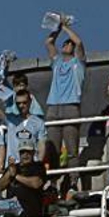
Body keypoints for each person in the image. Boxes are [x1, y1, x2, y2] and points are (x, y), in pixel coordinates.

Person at [44, 20, 86, 168]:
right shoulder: (57, 62)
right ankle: (53, 184)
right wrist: (57, 27)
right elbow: (49, 42)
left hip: (70, 107)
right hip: (53, 107)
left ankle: (73, 182)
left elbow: (79, 42)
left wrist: (65, 27)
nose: (67, 45)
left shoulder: (78, 63)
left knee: (71, 149)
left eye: (70, 44)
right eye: (64, 44)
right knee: (52, 150)